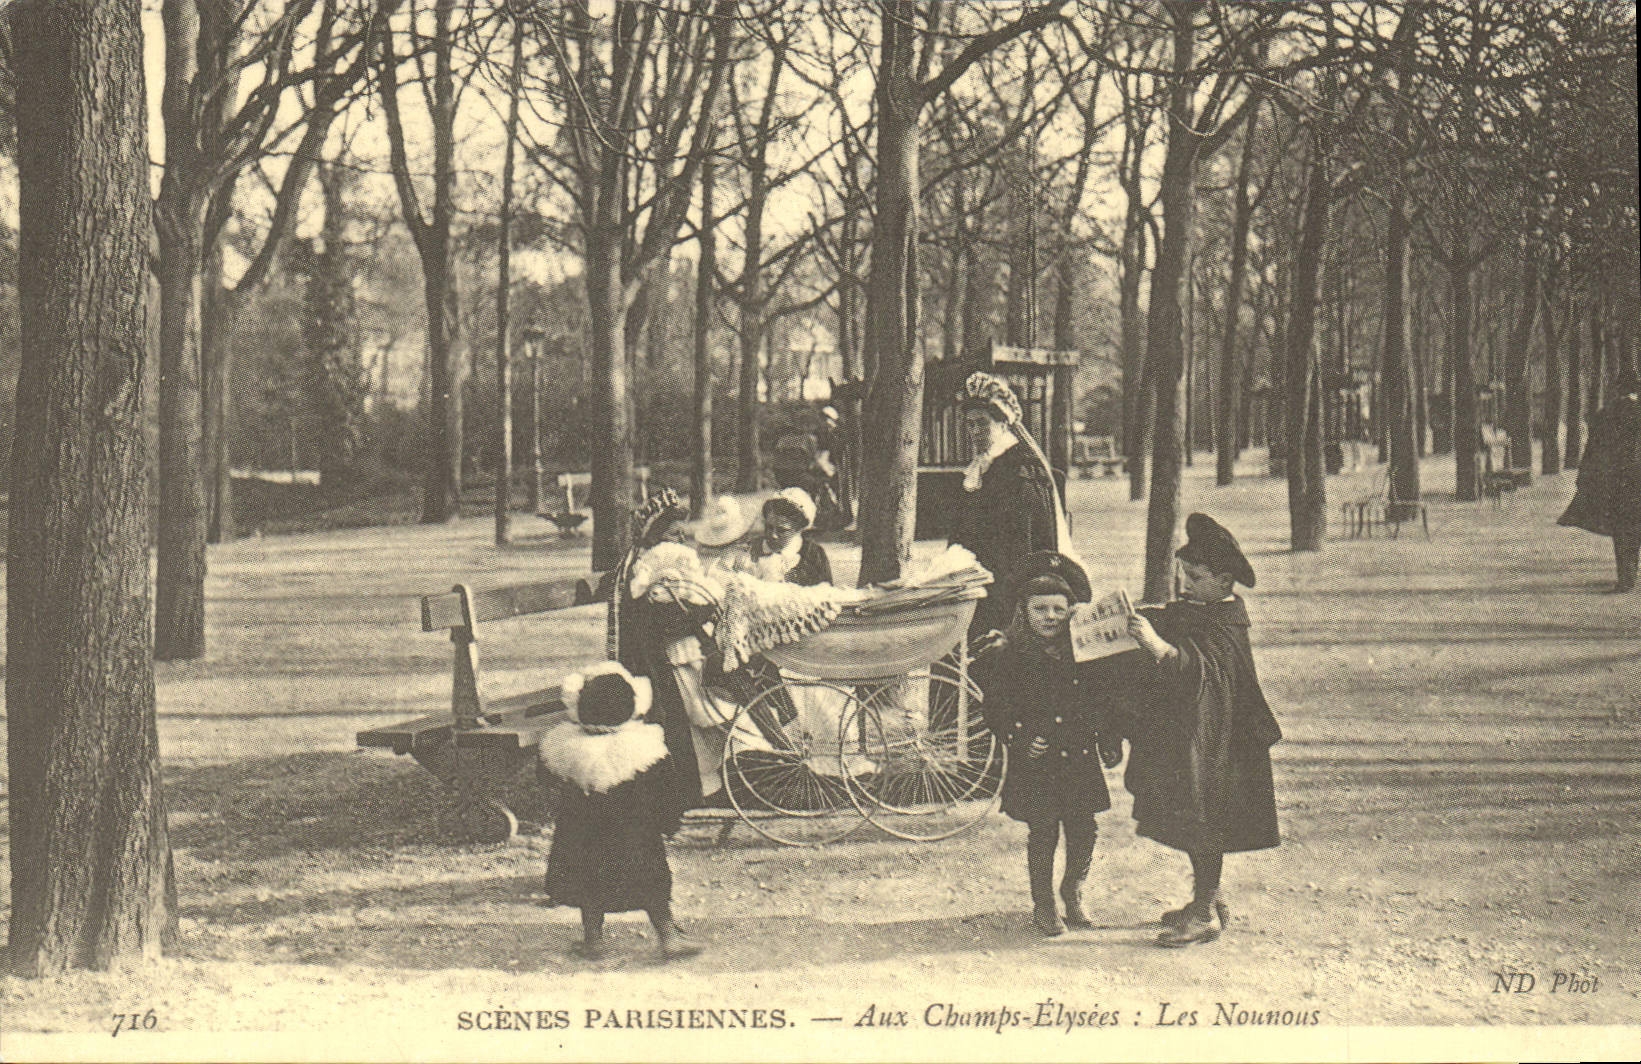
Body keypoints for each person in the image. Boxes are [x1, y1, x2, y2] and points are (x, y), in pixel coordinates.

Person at [1121, 513, 1282, 948]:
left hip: (1221, 743)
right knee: (1194, 815)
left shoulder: (1226, 622)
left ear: (1223, 579)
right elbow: (1174, 619)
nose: (1185, 585)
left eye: (1194, 577)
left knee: (1206, 817)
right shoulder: (1202, 609)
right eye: (1183, 576)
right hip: (1196, 735)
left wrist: (1157, 646)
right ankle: (1207, 898)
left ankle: (1205, 911)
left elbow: (1205, 671)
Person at [975, 552, 1125, 937]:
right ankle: (1043, 902)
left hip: (1078, 754)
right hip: (1037, 761)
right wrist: (1020, 736)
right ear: (1023, 611)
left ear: (1072, 612)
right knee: (1043, 829)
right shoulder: (1009, 654)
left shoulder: (1086, 653)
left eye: (1059, 609)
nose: (1050, 616)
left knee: (1084, 828)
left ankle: (1072, 890)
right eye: (1039, 608)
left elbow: (1103, 699)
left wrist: (1109, 739)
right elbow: (994, 708)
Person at [538, 662, 701, 961]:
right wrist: (669, 824)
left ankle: (594, 941)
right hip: (636, 839)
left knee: (591, 890)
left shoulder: (563, 749)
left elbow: (547, 783)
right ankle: (668, 937)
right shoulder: (643, 750)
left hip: (585, 841)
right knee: (652, 886)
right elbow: (667, 792)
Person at [950, 372, 1062, 640]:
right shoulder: (979, 471)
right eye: (970, 425)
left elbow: (1027, 542)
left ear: (1002, 425)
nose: (975, 432)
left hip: (1008, 589)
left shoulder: (1020, 471)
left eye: (982, 424)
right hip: (978, 584)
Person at [1559, 370, 1641, 593]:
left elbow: (1593, 449)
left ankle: (1627, 577)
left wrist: (1584, 476)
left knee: (1624, 527)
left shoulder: (1607, 413)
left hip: (1617, 481)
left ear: (1618, 389)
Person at [747, 488, 832, 586]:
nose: (773, 535)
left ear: (798, 529)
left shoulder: (813, 554)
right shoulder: (751, 549)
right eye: (769, 527)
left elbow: (826, 594)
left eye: (782, 530)